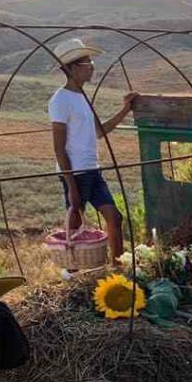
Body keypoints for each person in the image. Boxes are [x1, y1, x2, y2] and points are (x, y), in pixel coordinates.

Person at [48, 37, 138, 261]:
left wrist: (125, 109)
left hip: (92, 169)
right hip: (76, 172)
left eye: (91, 62)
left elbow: (99, 131)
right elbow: (59, 148)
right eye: (87, 63)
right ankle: (71, 269)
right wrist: (71, 186)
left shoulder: (83, 97)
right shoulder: (60, 100)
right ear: (71, 69)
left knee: (115, 217)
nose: (92, 67)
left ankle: (118, 266)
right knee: (75, 223)